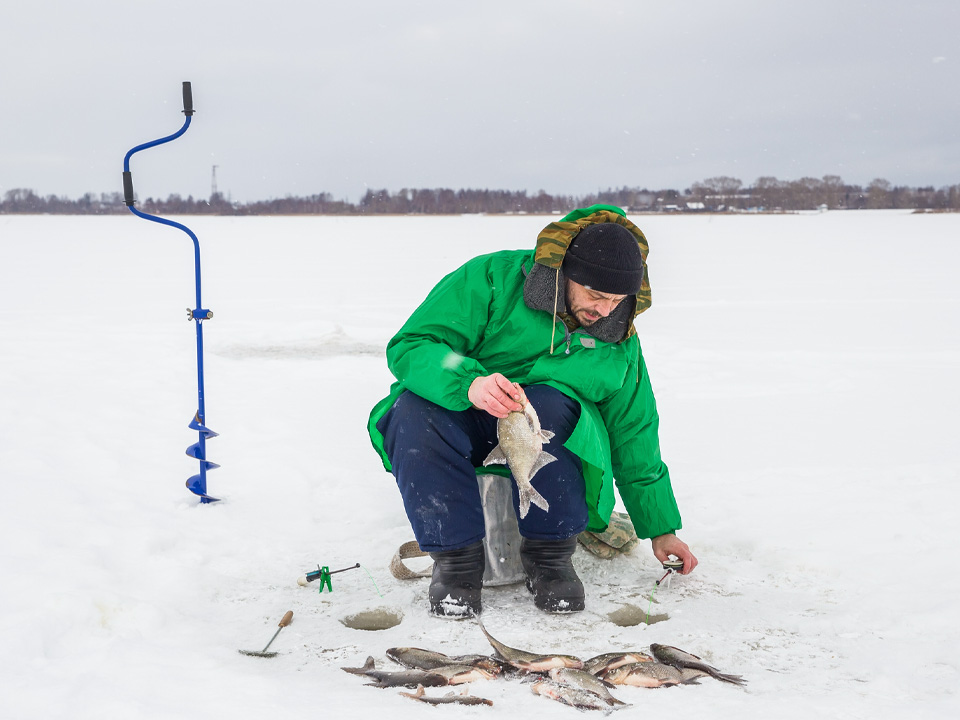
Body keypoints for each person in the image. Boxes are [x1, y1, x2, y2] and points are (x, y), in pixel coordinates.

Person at [367, 204, 697, 617]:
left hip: (548, 432)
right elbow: (413, 345)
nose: (605, 310)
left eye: (617, 299)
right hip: (467, 414)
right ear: (565, 272)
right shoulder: (491, 279)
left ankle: (550, 558)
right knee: (413, 410)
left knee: (550, 401)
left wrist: (661, 529)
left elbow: (634, 431)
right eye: (595, 295)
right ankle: (455, 565)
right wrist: (468, 383)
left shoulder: (619, 336)